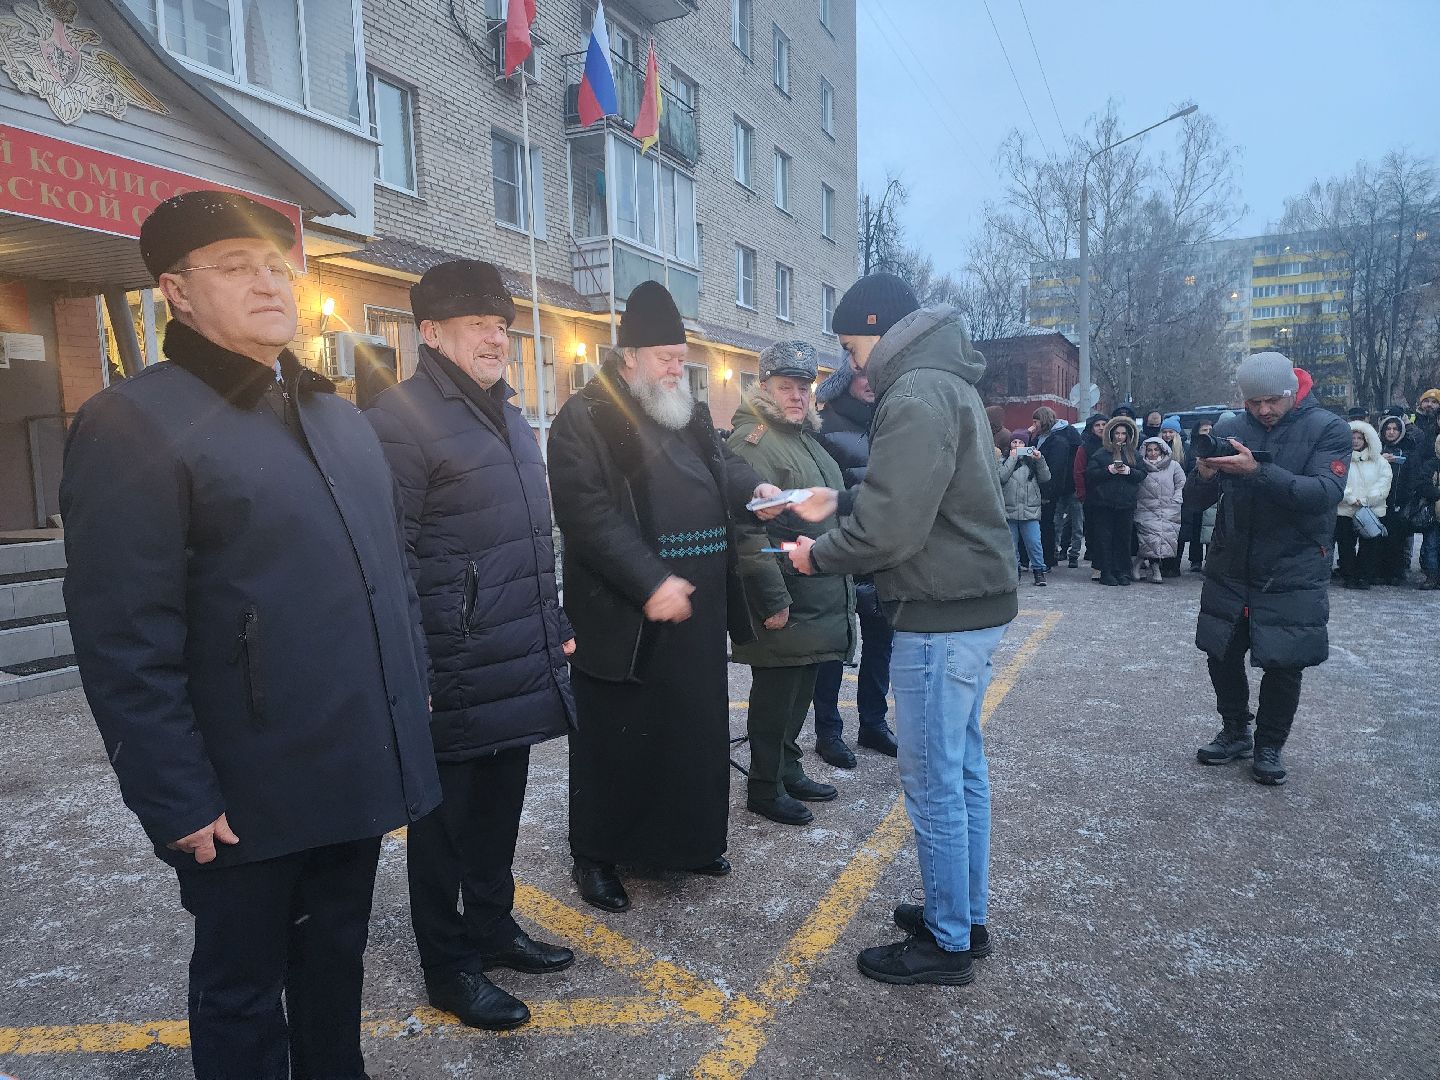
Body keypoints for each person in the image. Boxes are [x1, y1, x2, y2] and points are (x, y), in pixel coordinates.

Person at [60, 191, 441, 1080]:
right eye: (236, 267)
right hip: (242, 787)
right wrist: (175, 795)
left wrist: (409, 694)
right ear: (176, 293)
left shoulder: (337, 417)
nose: (270, 283)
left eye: (277, 264)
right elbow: (124, 637)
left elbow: (391, 577)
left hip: (351, 760)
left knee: (334, 965)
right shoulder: (134, 423)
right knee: (241, 990)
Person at [785, 272, 1018, 987]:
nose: (853, 364)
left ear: (881, 328)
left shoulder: (913, 391)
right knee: (962, 772)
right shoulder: (944, 381)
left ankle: (947, 944)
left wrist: (813, 554)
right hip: (970, 606)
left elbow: (891, 528)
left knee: (934, 785)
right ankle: (963, 915)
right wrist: (839, 496)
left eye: (854, 347)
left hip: (937, 614)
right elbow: (919, 490)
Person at [364, 260, 577, 1032]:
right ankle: (449, 965)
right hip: (450, 666)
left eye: (502, 322)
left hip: (514, 658)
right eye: (478, 322)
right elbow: (393, 555)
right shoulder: (401, 418)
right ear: (429, 332)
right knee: (444, 830)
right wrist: (414, 667)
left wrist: (553, 630)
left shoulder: (508, 415)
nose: (497, 335)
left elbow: (528, 541)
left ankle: (493, 928)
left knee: (498, 817)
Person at [547, 281, 782, 913]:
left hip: (696, 607)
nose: (677, 367)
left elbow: (721, 466)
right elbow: (586, 512)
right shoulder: (587, 416)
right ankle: (596, 855)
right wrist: (649, 579)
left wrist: (756, 491)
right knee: (617, 737)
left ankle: (687, 842)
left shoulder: (689, 408)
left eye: (681, 355)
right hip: (627, 612)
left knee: (692, 729)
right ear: (628, 357)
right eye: (664, 357)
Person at [1189, 352, 1352, 785]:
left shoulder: (1329, 428)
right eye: (1254, 401)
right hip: (1231, 561)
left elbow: (1323, 493)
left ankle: (1269, 745)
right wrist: (1204, 475)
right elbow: (1197, 501)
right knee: (1221, 652)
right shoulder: (1229, 427)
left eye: (1273, 399)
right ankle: (1236, 729)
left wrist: (1258, 472)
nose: (1264, 410)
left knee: (1284, 661)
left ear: (1293, 389)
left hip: (1294, 564)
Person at [727, 341, 855, 824]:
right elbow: (746, 530)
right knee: (776, 694)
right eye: (787, 387)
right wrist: (770, 597)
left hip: (815, 591)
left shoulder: (803, 439)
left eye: (804, 387)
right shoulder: (755, 442)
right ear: (764, 388)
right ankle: (764, 785)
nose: (798, 396)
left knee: (799, 688)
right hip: (786, 593)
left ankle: (787, 768)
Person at [810, 362, 896, 769]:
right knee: (832, 648)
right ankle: (828, 732)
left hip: (879, 553)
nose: (872, 384)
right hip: (839, 552)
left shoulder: (889, 420)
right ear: (846, 381)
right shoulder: (823, 427)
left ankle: (873, 723)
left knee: (881, 644)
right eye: (864, 375)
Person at [1084, 415, 1146, 586]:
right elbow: (1090, 475)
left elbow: (1142, 474)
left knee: (1123, 539)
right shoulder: (1101, 453)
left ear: (1128, 435)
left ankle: (1122, 571)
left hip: (1125, 504)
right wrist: (1108, 470)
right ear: (1111, 435)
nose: (1120, 437)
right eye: (1117, 433)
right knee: (1105, 539)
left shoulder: (1133, 454)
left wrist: (1129, 472)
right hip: (1104, 504)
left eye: (1123, 433)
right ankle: (1106, 571)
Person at [1333, 420, 1392, 590]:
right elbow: (1336, 481)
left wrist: (1367, 500)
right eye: (1353, 437)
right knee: (1346, 546)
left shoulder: (1379, 461)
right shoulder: (1339, 460)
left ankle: (1364, 576)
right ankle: (1349, 576)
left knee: (1370, 546)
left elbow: (1384, 482)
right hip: (1345, 509)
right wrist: (1350, 498)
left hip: (1371, 510)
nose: (1356, 441)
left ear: (1367, 440)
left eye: (1360, 437)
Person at [1033, 406, 1082, 570]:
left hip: (1050, 488)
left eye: (1036, 421)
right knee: (1046, 523)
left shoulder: (1058, 441)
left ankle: (1049, 557)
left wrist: (1049, 489)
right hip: (1040, 487)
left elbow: (1057, 467)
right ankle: (1047, 556)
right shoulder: (1038, 438)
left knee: (1050, 524)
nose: (1034, 424)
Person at [1133, 436, 1186, 584]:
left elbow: (1181, 483)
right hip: (1145, 508)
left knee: (1162, 540)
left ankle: (1139, 563)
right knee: (1149, 540)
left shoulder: (1174, 465)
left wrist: (1176, 500)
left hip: (1168, 508)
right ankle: (1154, 569)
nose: (1153, 453)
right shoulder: (1140, 466)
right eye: (1149, 450)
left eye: (1156, 449)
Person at [1000, 433, 1051, 585]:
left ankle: (1039, 571)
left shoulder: (1033, 462)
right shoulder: (1003, 460)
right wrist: (1012, 458)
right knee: (1011, 545)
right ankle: (1014, 572)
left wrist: (1040, 459)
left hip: (1030, 509)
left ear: (1027, 445)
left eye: (1021, 442)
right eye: (1014, 442)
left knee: (1034, 543)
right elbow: (1001, 477)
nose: (1017, 445)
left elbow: (1046, 477)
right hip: (1009, 509)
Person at [1074, 413, 1109, 581]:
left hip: (1113, 495)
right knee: (1094, 532)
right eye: (1097, 425)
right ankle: (1097, 565)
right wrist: (1082, 494)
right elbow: (1079, 472)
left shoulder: (1114, 445)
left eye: (1104, 424)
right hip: (1092, 495)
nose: (1101, 428)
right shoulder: (1085, 447)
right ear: (1091, 428)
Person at [1181, 421, 1218, 572]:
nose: (1208, 432)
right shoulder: (1192, 448)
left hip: (1212, 490)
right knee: (1196, 528)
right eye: (1204, 430)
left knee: (1211, 529)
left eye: (1210, 429)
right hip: (1197, 487)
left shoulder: (1216, 446)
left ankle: (1210, 560)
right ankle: (1195, 559)